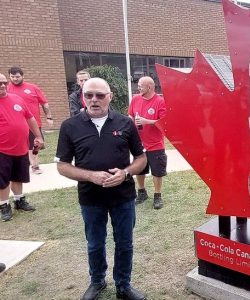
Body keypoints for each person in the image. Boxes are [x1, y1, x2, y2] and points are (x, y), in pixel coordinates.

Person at [56, 77, 147, 300]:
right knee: (95, 243)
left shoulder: (125, 123)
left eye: (99, 95)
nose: (94, 100)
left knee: (124, 243)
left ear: (110, 97)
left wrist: (125, 173)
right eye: (89, 95)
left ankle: (123, 285)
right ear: (82, 97)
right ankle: (97, 281)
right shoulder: (70, 126)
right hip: (91, 198)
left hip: (123, 196)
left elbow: (141, 158)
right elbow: (62, 166)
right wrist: (91, 176)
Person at [0, 73, 44, 222]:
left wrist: (38, 136)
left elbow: (30, 117)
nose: (3, 85)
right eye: (0, 83)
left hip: (20, 147)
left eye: (4, 82)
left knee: (18, 176)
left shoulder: (16, 99)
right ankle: (4, 205)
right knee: (3, 180)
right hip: (2, 149)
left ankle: (19, 200)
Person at [127, 76, 167, 209]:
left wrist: (146, 121)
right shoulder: (135, 99)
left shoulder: (160, 101)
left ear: (149, 87)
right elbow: (130, 115)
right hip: (138, 143)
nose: (138, 88)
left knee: (157, 171)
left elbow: (164, 123)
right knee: (140, 169)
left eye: (140, 85)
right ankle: (142, 192)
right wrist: (132, 121)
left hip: (155, 144)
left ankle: (157, 196)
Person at [7, 66, 53, 175]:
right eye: (12, 77)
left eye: (17, 76)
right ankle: (18, 166)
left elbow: (44, 103)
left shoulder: (33, 88)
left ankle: (35, 165)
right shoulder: (7, 89)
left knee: (35, 145)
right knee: (17, 146)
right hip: (15, 124)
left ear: (23, 76)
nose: (15, 79)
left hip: (34, 123)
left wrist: (49, 117)